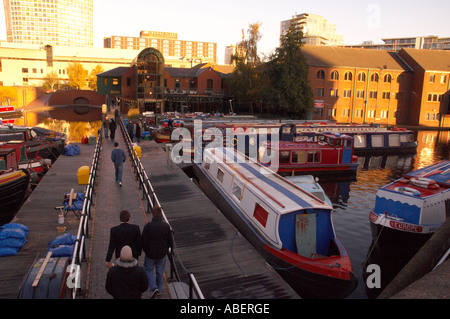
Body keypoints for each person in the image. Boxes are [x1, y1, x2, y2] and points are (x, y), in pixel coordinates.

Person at [142, 205, 173, 298]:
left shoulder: (148, 226)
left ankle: (153, 286)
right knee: (160, 271)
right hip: (162, 254)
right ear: (160, 214)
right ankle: (159, 290)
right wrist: (165, 249)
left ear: (153, 214)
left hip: (150, 254)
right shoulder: (166, 226)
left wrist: (146, 250)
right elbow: (170, 241)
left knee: (148, 269)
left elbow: (143, 241)